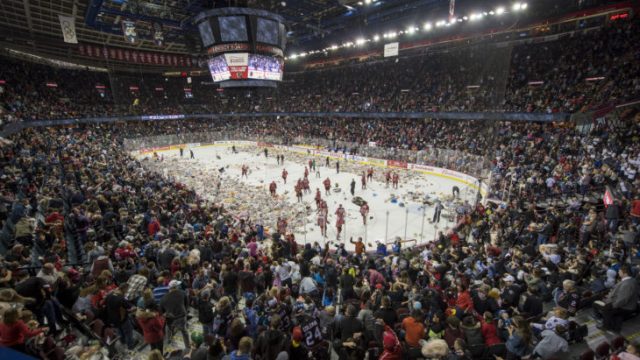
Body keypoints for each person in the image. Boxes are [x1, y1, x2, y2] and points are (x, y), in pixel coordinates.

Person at [595, 265, 639, 332]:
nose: (618, 272)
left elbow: (623, 299)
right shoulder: (631, 280)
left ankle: (606, 326)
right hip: (627, 304)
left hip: (627, 307)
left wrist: (612, 305)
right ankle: (615, 327)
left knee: (607, 308)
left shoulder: (627, 284)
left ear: (625, 273)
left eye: (619, 271)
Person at [160, 280, 190, 349]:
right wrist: (184, 311)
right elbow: (186, 303)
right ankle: (187, 346)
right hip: (182, 316)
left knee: (168, 329)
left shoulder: (163, 298)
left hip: (171, 319)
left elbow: (161, 311)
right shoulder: (183, 293)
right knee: (184, 331)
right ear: (176, 286)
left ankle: (169, 340)